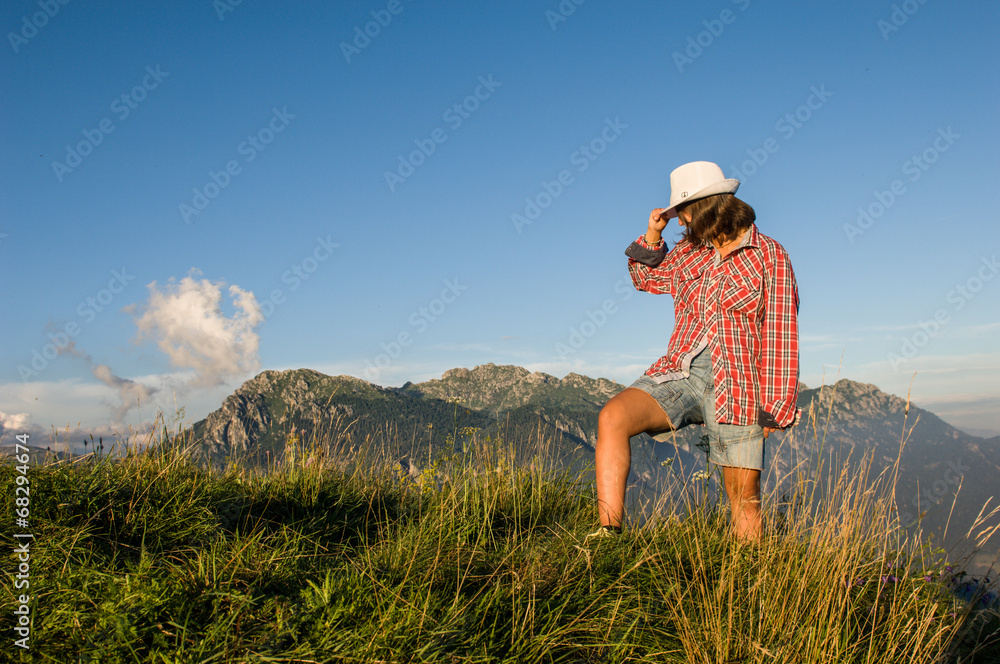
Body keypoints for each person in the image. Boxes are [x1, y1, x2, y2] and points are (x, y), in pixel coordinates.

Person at [594, 161, 799, 541]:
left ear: (703, 207)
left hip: (738, 386)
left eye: (682, 214)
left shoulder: (769, 255)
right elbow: (645, 278)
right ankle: (609, 538)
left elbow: (781, 336)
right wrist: (654, 234)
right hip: (681, 372)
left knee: (744, 499)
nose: (682, 224)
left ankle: (752, 580)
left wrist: (774, 409)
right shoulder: (690, 252)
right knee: (612, 418)